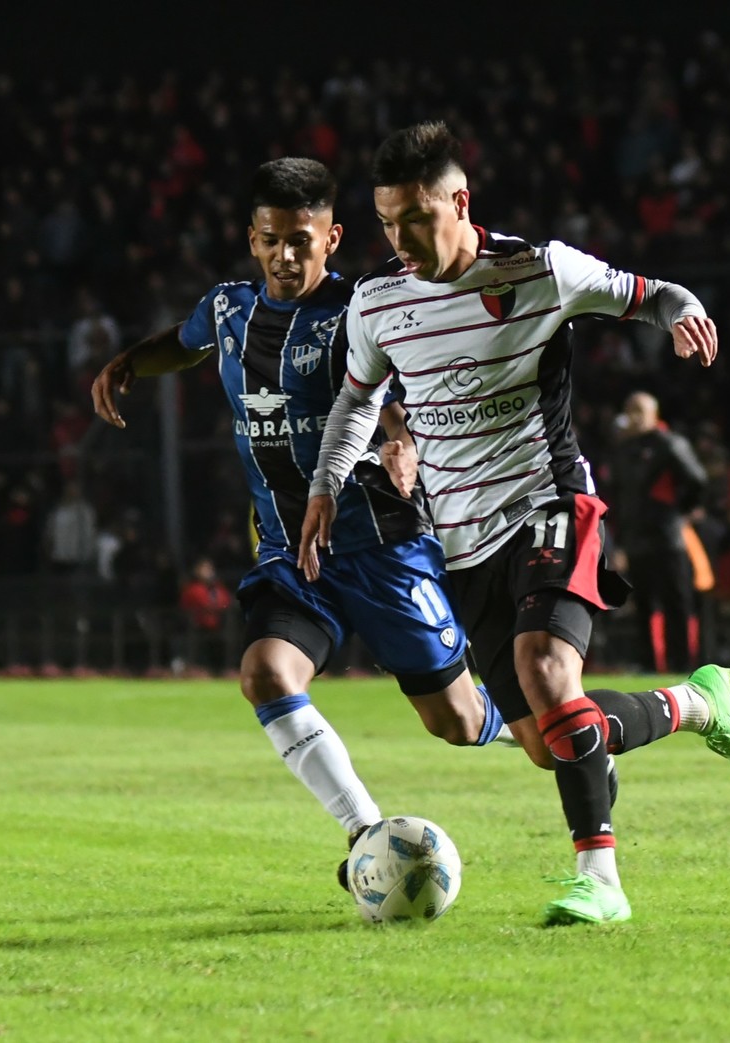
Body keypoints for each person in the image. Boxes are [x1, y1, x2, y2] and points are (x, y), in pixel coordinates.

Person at [302, 121, 730, 926]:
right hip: (458, 541)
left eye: (416, 216)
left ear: (459, 200)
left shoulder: (538, 270)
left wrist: (683, 313)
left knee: (548, 670)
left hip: (549, 502)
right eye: (387, 221)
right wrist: (325, 483)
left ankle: (601, 880)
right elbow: (356, 401)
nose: (402, 237)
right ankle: (695, 705)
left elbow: (649, 291)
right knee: (549, 738)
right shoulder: (377, 303)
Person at [92, 159, 519, 888]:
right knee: (264, 673)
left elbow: (395, 387)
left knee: (453, 719)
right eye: (268, 240)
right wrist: (130, 361)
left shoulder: (366, 308)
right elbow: (187, 340)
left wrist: (401, 439)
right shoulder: (230, 309)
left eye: (299, 240)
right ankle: (365, 834)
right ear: (251, 239)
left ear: (332, 237)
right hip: (294, 551)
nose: (283, 257)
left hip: (382, 544)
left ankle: (542, 727)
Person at [612, 391, 707, 673]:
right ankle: (648, 664)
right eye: (631, 410)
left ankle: (682, 664)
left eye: (640, 410)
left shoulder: (668, 444)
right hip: (637, 538)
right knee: (643, 604)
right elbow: (620, 497)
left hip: (668, 536)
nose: (635, 417)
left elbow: (696, 479)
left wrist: (678, 511)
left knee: (675, 602)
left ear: (654, 414)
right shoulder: (623, 450)